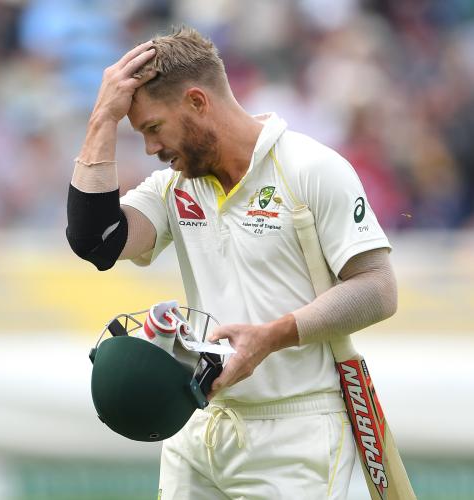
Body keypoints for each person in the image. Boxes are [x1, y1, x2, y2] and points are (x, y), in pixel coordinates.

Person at [67, 27, 397, 500]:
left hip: (298, 436)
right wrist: (101, 118)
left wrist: (271, 336)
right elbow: (95, 241)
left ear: (198, 102)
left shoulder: (310, 168)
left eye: (153, 128)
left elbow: (378, 288)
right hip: (198, 429)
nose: (150, 149)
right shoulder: (173, 187)